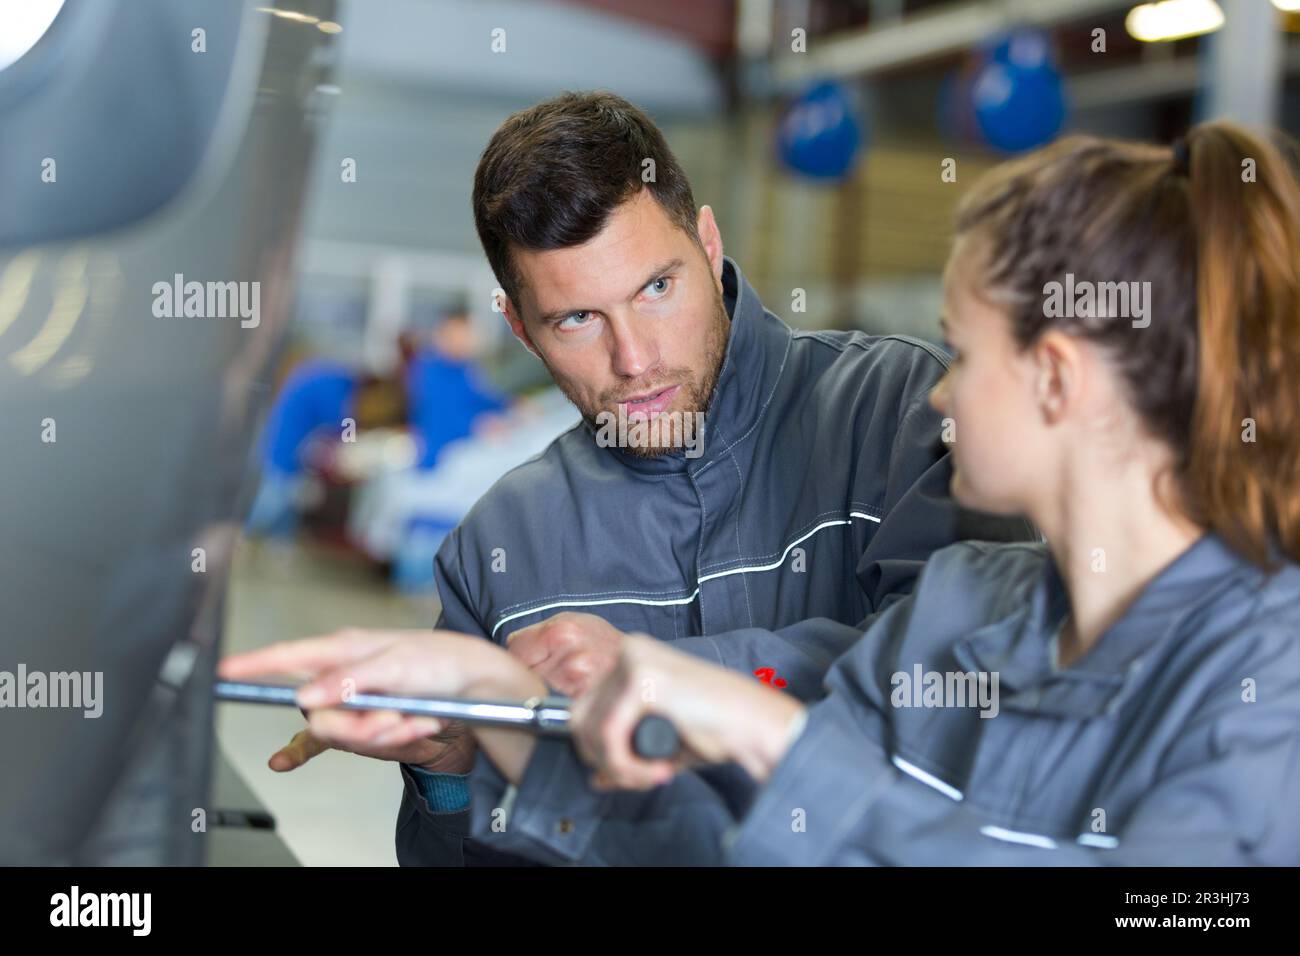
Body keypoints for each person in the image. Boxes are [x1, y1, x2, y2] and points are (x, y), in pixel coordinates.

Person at [224, 120, 1300, 865]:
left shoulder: (1272, 665)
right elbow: (751, 838)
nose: (938, 387)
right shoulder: (970, 608)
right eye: (576, 319)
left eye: (963, 351)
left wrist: (758, 728)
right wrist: (497, 707)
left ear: (1056, 377)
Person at [262, 91, 1033, 866]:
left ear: (706, 241)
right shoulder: (499, 548)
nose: (634, 360)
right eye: (577, 320)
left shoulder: (902, 416)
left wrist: (665, 678)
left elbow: (974, 684)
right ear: (521, 330)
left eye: (655, 289)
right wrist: (452, 779)